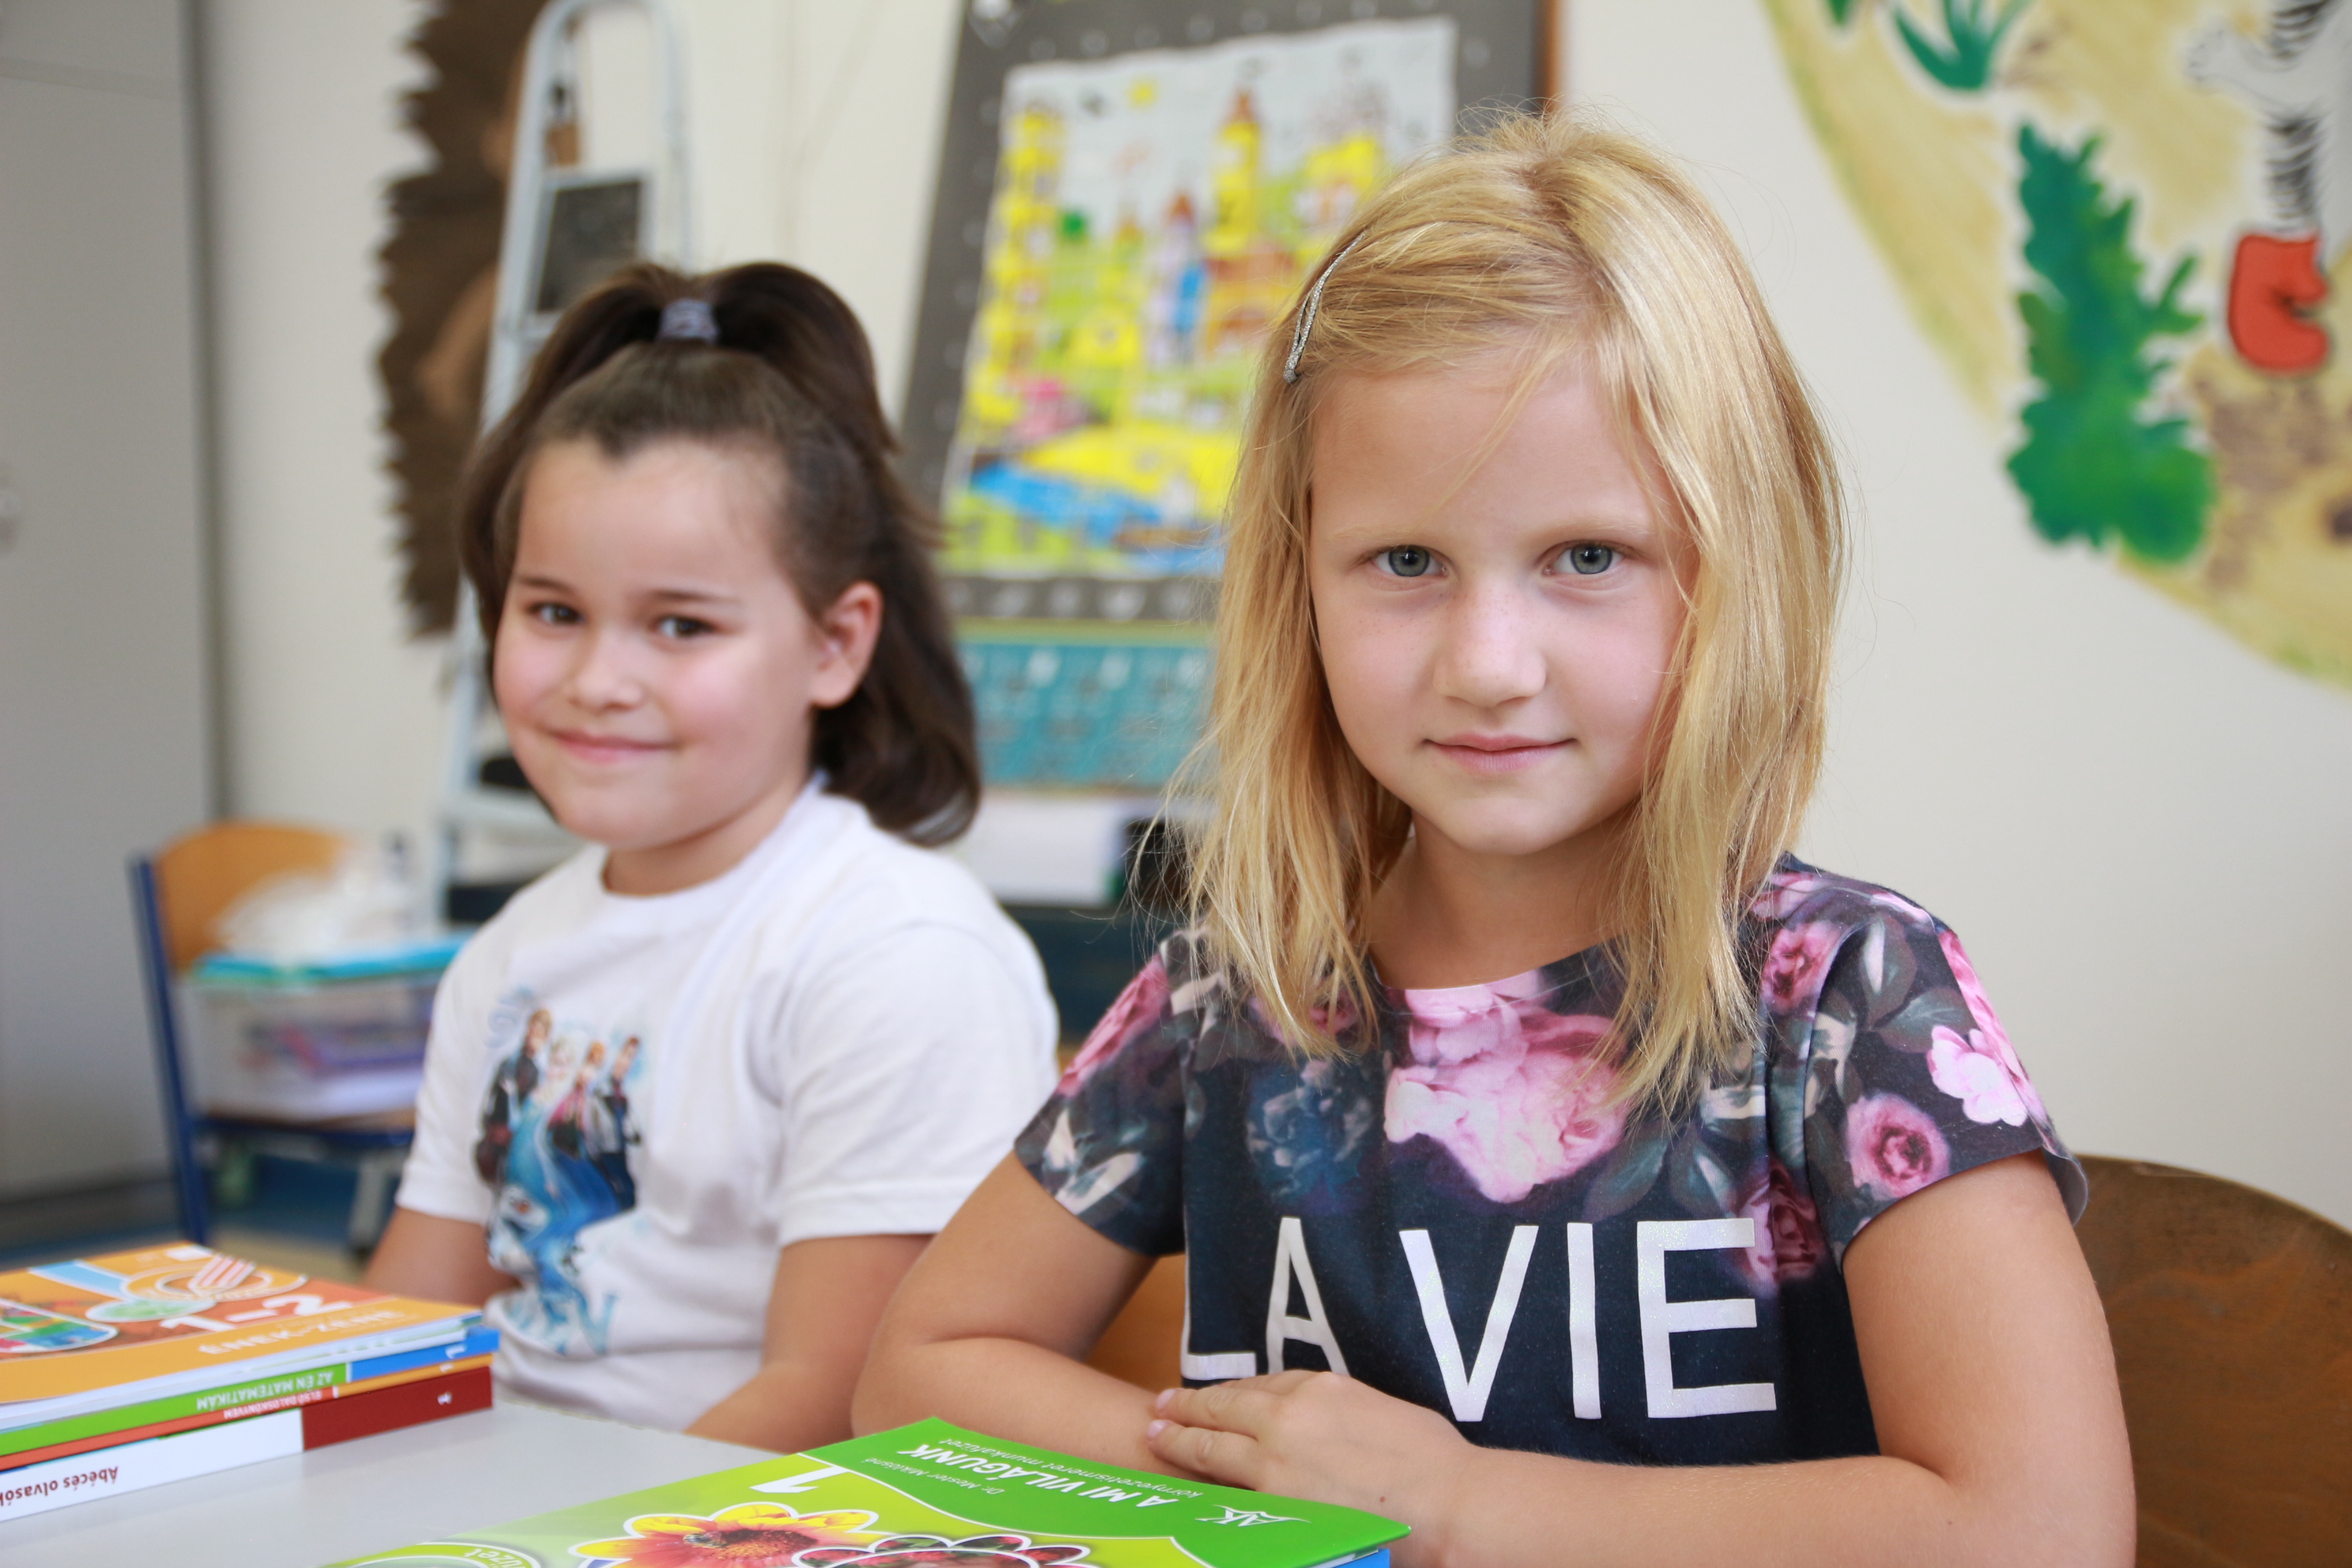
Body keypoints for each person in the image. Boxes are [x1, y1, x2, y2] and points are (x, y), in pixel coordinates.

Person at [855, 112, 2134, 1566]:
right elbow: (921, 1371)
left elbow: (2044, 1532)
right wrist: (1263, 1487)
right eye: (1406, 560)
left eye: (1587, 558)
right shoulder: (1236, 993)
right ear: (1299, 581)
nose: (1486, 665)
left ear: (1738, 572)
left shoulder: (1851, 999)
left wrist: (1463, 1508)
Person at [365, 261, 1059, 1452]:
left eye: (680, 624)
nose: (599, 680)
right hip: (499, 1498)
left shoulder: (897, 952)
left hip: (721, 1514)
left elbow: (838, 1406)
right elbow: (398, 1336)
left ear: (835, 645)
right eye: (553, 612)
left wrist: (551, 1534)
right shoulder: (512, 953)